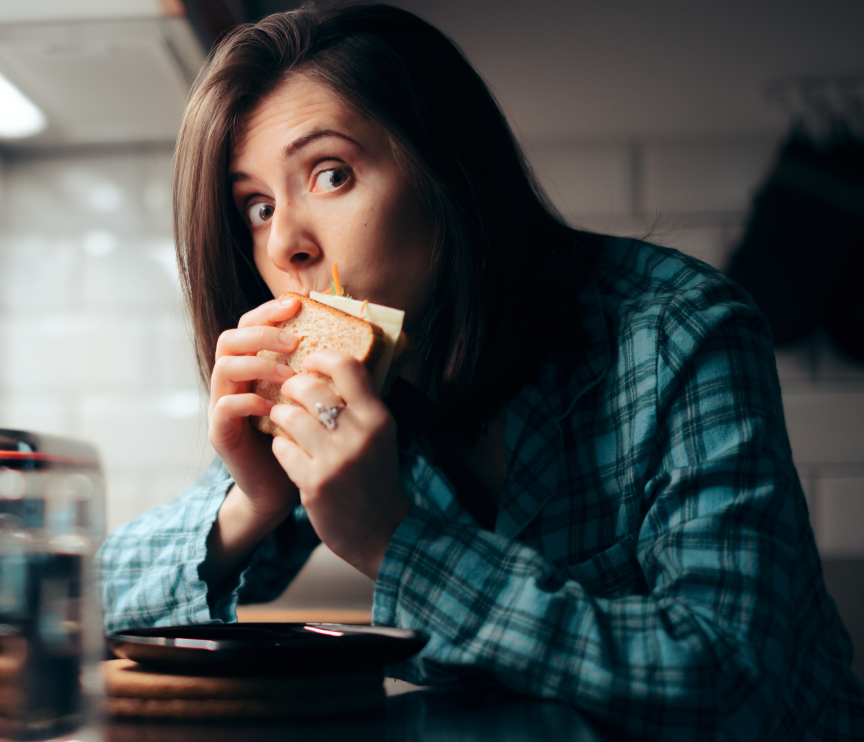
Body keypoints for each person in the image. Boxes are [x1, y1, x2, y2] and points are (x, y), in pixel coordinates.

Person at [97, 5, 863, 738]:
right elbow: (58, 618)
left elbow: (732, 689)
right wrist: (251, 503)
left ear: (446, 168)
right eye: (257, 206)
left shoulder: (680, 330)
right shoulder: (348, 384)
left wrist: (394, 539)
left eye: (330, 174)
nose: (286, 246)